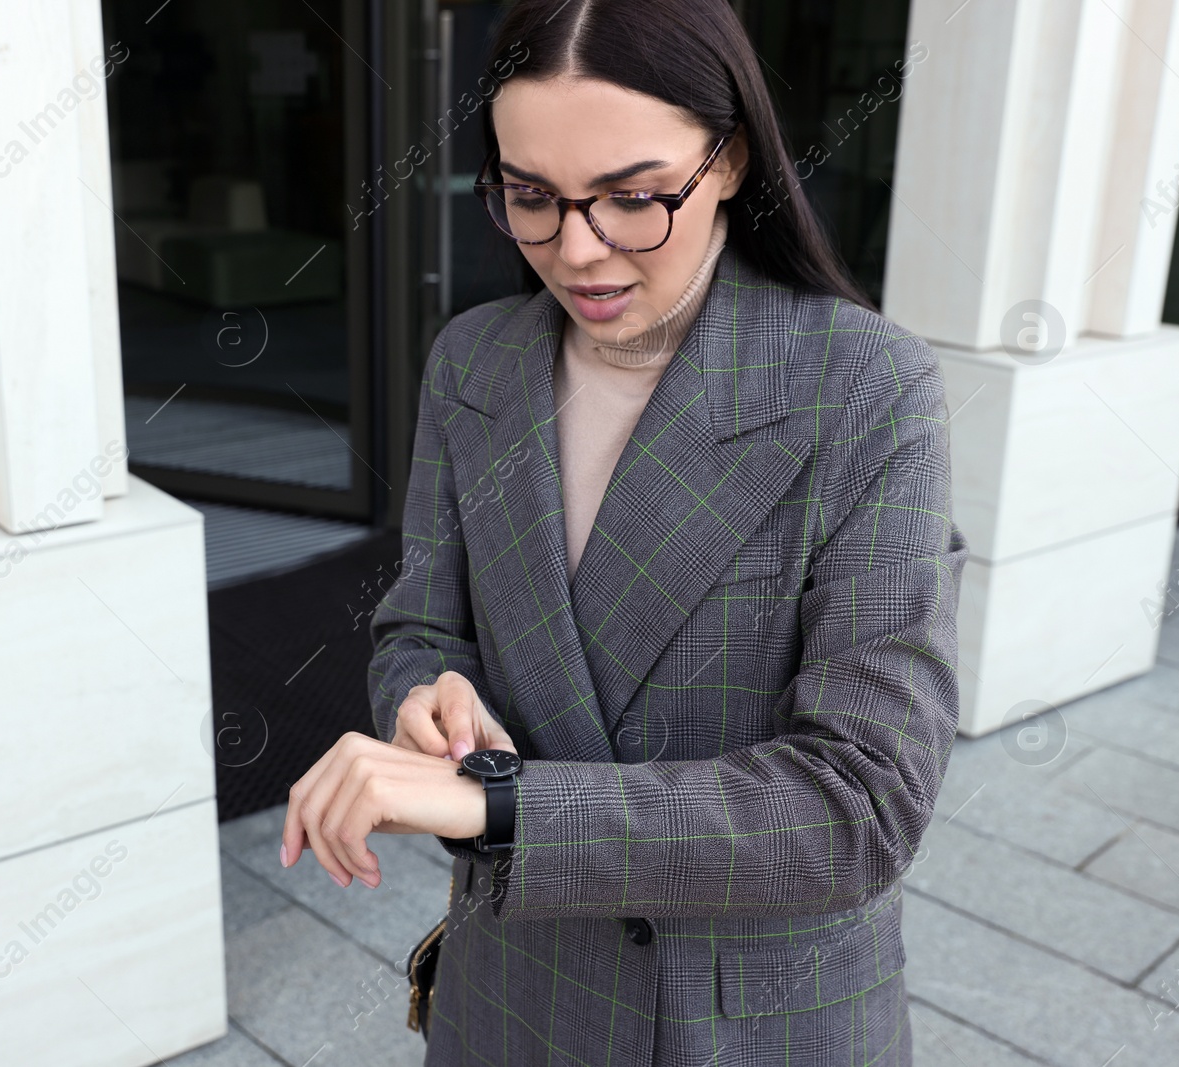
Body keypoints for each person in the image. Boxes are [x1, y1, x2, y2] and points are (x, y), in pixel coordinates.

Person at [279, 0, 968, 1062]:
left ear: (730, 159)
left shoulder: (864, 387)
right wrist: (426, 700)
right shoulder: (473, 362)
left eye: (635, 198)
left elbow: (861, 804)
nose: (580, 251)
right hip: (512, 989)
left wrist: (504, 806)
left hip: (744, 1014)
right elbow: (418, 623)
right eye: (530, 198)